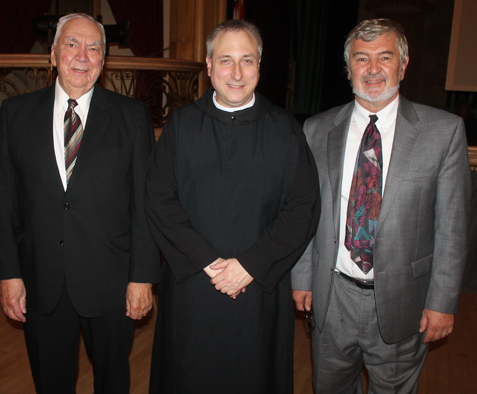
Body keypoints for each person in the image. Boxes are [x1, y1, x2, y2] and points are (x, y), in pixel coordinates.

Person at [292, 18, 470, 393]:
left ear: (403, 66)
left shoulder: (444, 131)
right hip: (332, 297)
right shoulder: (316, 129)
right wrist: (303, 278)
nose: (372, 69)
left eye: (384, 57)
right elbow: (305, 212)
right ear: (348, 69)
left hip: (404, 302)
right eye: (361, 59)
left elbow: (452, 228)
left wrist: (442, 302)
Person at [144, 19, 320, 394]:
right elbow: (159, 199)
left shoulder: (285, 129)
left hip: (257, 290)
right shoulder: (182, 125)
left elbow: (303, 208)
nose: (236, 73)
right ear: (209, 66)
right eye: (226, 60)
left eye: (247, 60)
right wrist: (209, 262)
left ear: (260, 65)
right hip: (194, 284)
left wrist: (249, 266)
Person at [0, 13, 160, 394]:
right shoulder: (15, 115)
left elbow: (145, 206)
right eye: (72, 44)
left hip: (112, 283)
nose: (82, 56)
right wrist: (8, 274)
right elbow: (5, 202)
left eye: (94, 47)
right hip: (41, 282)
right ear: (52, 54)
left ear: (104, 59)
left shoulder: (132, 117)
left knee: (113, 381)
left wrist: (142, 278)